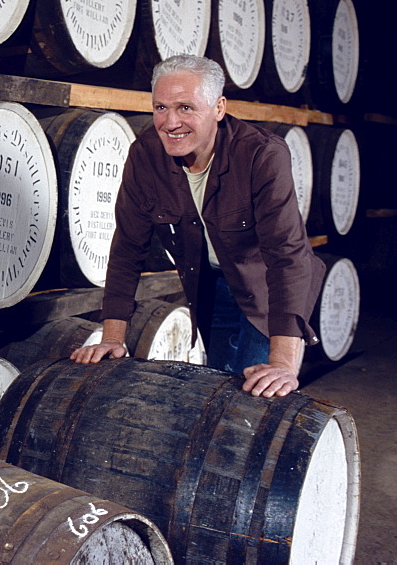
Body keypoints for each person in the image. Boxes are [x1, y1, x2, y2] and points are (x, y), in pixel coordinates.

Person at [71, 54, 325, 398]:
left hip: (268, 289)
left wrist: (283, 362)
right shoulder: (145, 155)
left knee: (257, 394)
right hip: (210, 284)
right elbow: (127, 248)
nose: (170, 122)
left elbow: (287, 256)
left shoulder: (262, 154)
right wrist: (113, 338)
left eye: (186, 108)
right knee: (219, 390)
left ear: (219, 108)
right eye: (160, 108)